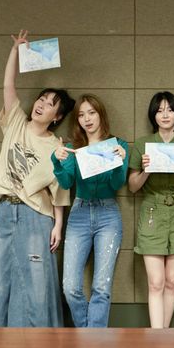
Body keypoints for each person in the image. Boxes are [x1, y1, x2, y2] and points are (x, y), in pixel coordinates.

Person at [0, 29, 75, 327]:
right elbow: (8, 85)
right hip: (4, 210)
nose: (41, 104)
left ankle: (37, 342)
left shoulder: (57, 146)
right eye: (41, 99)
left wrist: (58, 225)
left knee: (36, 281)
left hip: (36, 215)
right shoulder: (15, 123)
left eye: (50, 104)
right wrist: (15, 51)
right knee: (3, 276)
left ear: (57, 116)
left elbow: (59, 192)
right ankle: (0, 339)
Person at [51, 94, 128, 327]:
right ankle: (89, 334)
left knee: (101, 287)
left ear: (100, 114)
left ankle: (92, 342)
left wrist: (120, 163)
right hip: (80, 213)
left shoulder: (118, 145)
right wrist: (57, 161)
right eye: (81, 115)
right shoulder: (73, 148)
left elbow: (116, 184)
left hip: (108, 214)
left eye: (91, 112)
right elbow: (66, 183)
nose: (87, 119)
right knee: (70, 287)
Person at [128, 92, 174, 328]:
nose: (165, 115)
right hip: (152, 209)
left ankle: (164, 335)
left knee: (172, 280)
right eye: (159, 110)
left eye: (170, 109)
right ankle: (156, 337)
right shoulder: (142, 144)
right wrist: (146, 170)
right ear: (153, 116)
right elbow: (132, 187)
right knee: (156, 282)